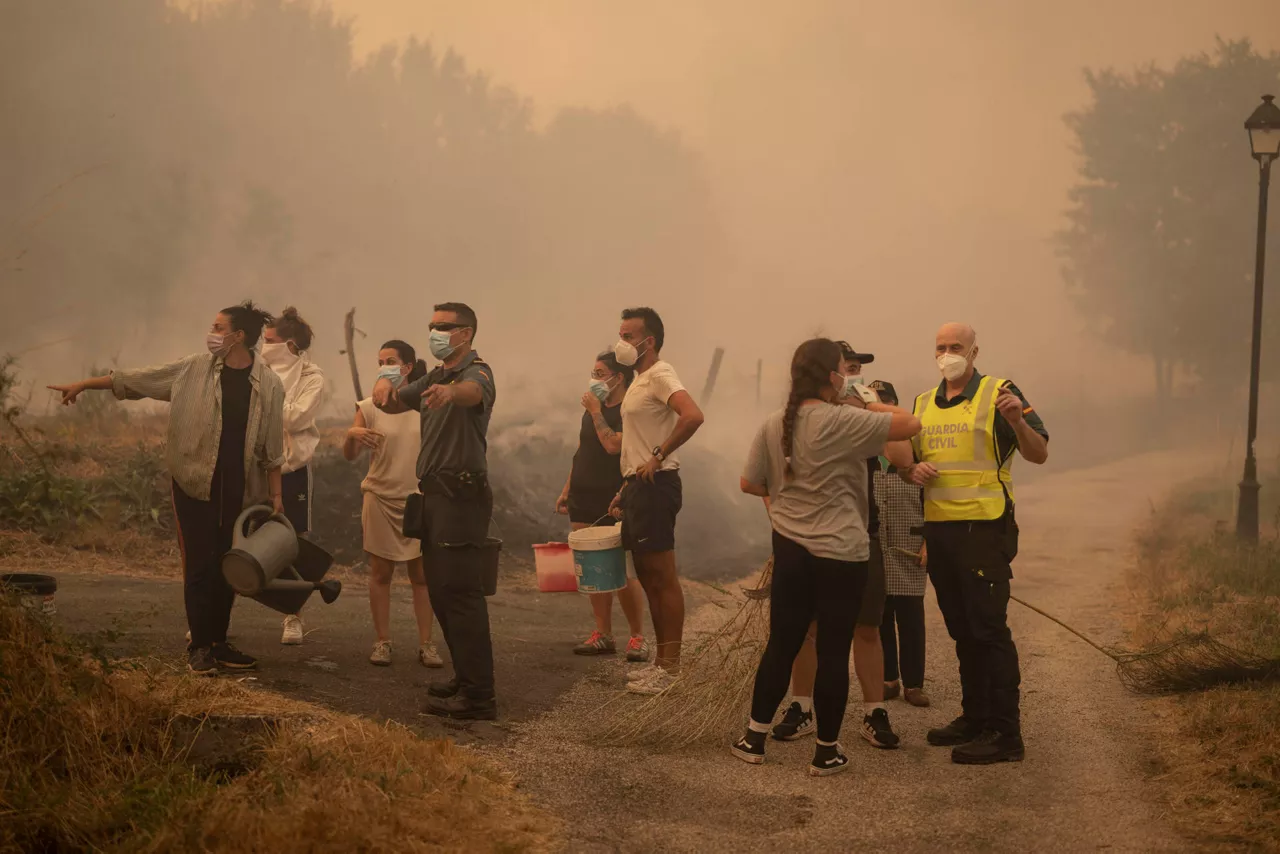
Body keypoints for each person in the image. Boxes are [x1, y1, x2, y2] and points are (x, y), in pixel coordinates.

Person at [48, 302, 285, 675]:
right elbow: (136, 380)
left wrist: (276, 498)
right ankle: (200, 646)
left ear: (238, 336)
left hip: (238, 488)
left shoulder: (269, 384)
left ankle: (219, 643)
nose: (212, 332)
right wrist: (85, 385)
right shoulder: (192, 369)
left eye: (218, 326)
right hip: (192, 481)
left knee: (229, 562)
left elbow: (273, 449)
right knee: (199, 563)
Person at [732, 338, 920, 776]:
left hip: (791, 549)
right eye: (842, 369)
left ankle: (754, 739)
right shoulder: (846, 421)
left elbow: (749, 482)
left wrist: (785, 501)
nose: (846, 376)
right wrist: (865, 403)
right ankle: (826, 752)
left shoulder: (775, 421)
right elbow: (910, 426)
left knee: (783, 643)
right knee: (835, 650)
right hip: (842, 554)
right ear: (830, 377)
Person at [903, 322, 1049, 765]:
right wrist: (913, 469)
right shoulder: (923, 403)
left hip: (984, 531)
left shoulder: (1000, 392)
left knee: (989, 632)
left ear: (974, 351)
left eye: (956, 347)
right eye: (940, 347)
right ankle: (975, 716)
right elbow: (908, 456)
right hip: (941, 532)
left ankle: (1006, 734)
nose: (947, 354)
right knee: (963, 631)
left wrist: (1016, 422)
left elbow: (1039, 452)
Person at [371, 302, 497, 720]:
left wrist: (451, 393)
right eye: (431, 326)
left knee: (461, 595)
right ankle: (465, 678)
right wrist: (382, 391)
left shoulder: (475, 372)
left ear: (467, 333)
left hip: (462, 497)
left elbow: (473, 393)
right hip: (436, 497)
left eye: (445, 327)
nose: (436, 332)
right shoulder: (435, 375)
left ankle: (480, 696)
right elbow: (394, 403)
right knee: (442, 593)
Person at [606, 307, 705, 696]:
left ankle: (671, 667)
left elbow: (693, 416)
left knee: (663, 578)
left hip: (657, 484)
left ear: (650, 341)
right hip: (638, 486)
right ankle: (662, 665)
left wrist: (659, 454)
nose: (622, 343)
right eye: (621, 334)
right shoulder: (639, 380)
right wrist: (625, 486)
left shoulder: (661, 374)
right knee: (648, 577)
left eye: (629, 336)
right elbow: (637, 440)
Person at [346, 340, 442, 669]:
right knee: (380, 573)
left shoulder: (426, 404)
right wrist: (351, 435)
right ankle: (382, 641)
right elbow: (350, 454)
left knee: (422, 575)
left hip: (418, 498)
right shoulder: (369, 406)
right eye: (380, 360)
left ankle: (427, 644)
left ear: (408, 367)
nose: (383, 366)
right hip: (379, 495)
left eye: (391, 361)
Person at [555, 351, 650, 663]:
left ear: (618, 376)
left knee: (621, 568)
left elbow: (612, 445)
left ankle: (638, 636)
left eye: (599, 373)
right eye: (592, 373)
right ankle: (603, 634)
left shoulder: (628, 409)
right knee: (593, 566)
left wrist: (596, 412)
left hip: (613, 497)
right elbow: (583, 448)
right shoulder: (591, 409)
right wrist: (568, 488)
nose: (593, 379)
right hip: (583, 495)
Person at [261, 307, 327, 646]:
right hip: (254, 467)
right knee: (234, 536)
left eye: (269, 341)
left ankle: (293, 616)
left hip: (292, 470)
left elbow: (295, 419)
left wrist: (264, 405)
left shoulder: (311, 377)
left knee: (295, 540)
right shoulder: (254, 370)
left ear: (289, 345)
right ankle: (219, 614)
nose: (263, 345)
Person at [868, 380, 930, 708]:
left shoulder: (914, 450)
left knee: (911, 618)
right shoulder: (865, 452)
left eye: (885, 403)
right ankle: (888, 679)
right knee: (880, 617)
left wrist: (928, 543)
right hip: (877, 548)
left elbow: (932, 499)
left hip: (910, 547)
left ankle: (914, 684)